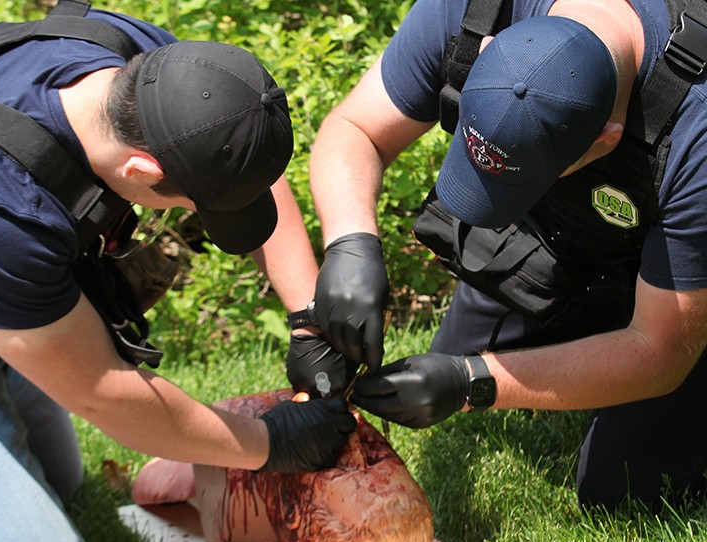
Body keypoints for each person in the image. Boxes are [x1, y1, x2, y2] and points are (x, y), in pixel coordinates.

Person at [0, 4, 356, 542]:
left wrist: (308, 319)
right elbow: (104, 392)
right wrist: (270, 445)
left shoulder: (139, 64)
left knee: (64, 488)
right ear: (141, 170)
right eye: (194, 204)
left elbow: (238, 148)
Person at [301, 0, 707, 511]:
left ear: (607, 140)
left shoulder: (695, 137)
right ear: (487, 53)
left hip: (684, 294)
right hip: (561, 245)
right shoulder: (478, 10)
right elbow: (355, 128)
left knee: (621, 490)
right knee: (448, 355)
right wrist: (351, 243)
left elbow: (660, 352)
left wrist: (473, 383)